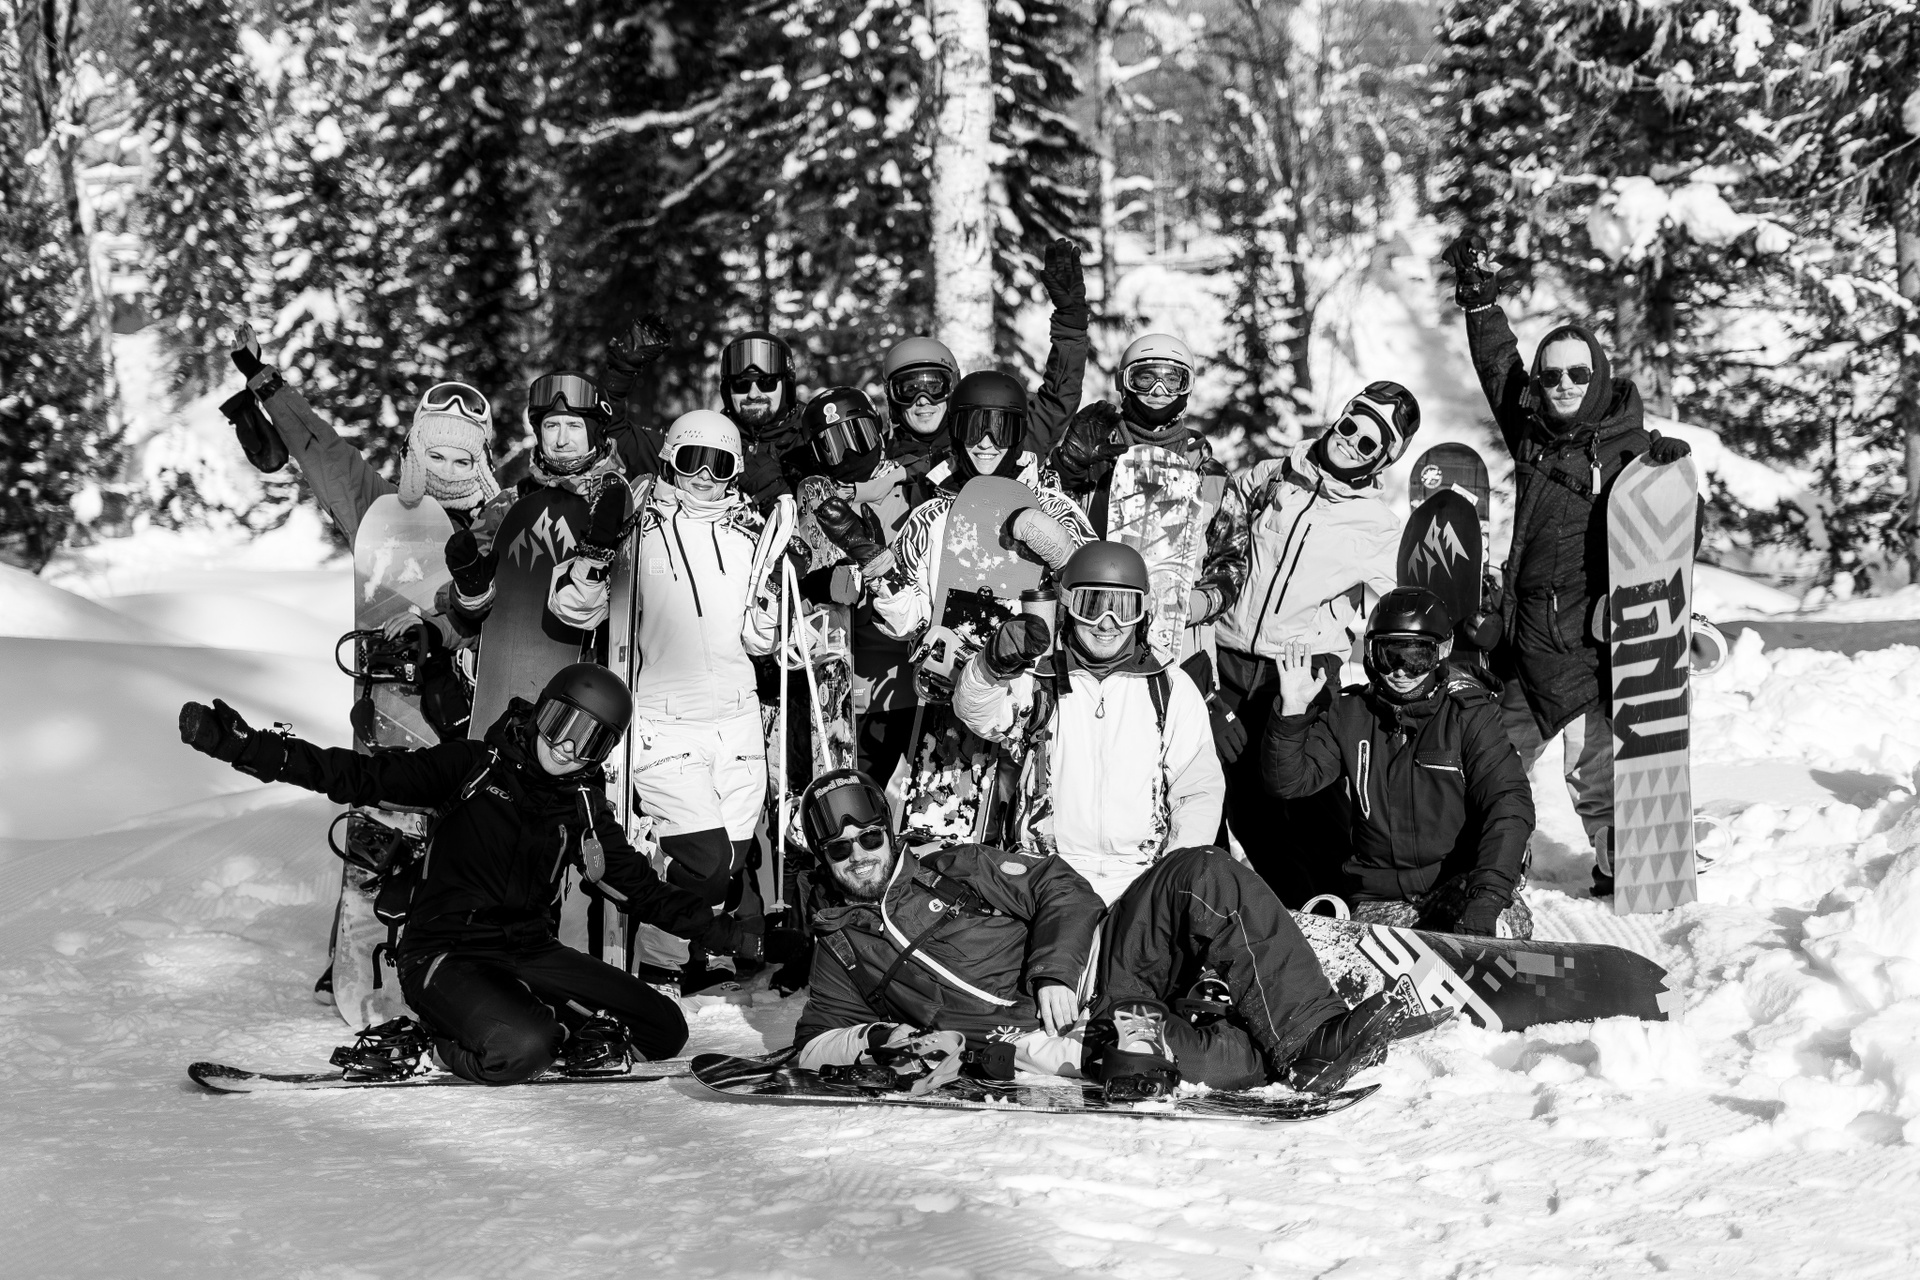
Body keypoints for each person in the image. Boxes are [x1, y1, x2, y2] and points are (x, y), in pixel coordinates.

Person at [175, 664, 772, 1084]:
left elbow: (640, 890)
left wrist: (729, 936)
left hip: (528, 952)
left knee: (663, 1029)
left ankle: (549, 1024)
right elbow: (357, 776)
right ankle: (430, 1048)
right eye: (562, 724)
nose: (567, 749)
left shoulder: (583, 806)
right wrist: (248, 749)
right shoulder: (473, 767)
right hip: (444, 951)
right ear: (541, 712)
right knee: (520, 1050)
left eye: (589, 741)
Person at [788, 771, 1417, 1095]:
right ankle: (1240, 1027)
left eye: (869, 837)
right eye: (840, 849)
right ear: (822, 857)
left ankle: (1312, 1036)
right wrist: (873, 1039)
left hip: (1109, 955)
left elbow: (1062, 888)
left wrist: (1054, 972)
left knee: (1201, 871)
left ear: (889, 831)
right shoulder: (840, 947)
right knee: (1207, 1067)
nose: (859, 856)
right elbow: (814, 1043)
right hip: (1070, 1033)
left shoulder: (952, 867)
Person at [1442, 233, 1694, 895]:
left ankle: (1622, 864)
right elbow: (1501, 371)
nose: (1562, 385)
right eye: (1551, 375)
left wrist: (1671, 483)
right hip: (1523, 639)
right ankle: (1490, 860)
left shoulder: (1632, 448)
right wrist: (1481, 306)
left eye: (1577, 374)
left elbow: (1669, 538)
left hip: (1586, 645)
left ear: (1599, 375)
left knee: (1594, 768)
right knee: (1494, 761)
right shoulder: (1532, 434)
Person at [548, 410, 783, 991]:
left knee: (728, 864)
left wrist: (775, 594)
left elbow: (760, 640)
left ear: (734, 469)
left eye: (718, 464)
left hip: (738, 717)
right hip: (666, 719)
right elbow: (573, 610)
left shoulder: (751, 533)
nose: (704, 475)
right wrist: (597, 550)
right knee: (704, 862)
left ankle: (691, 953)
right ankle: (659, 959)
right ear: (670, 459)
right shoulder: (637, 523)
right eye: (691, 460)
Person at [1211, 383, 1421, 906]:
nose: (1351, 441)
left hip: (1299, 674)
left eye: (1369, 443)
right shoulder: (1269, 477)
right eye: (1350, 425)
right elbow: (1211, 537)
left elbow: (1409, 604)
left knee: (1310, 806)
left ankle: (1341, 910)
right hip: (1227, 662)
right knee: (1242, 810)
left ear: (1382, 460)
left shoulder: (1379, 528)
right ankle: (1246, 911)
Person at [951, 542, 1224, 903]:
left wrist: (1172, 880)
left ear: (1143, 611)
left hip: (1141, 877)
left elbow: (1197, 792)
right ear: (1068, 604)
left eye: (1123, 608)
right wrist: (992, 665)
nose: (1107, 623)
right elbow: (977, 714)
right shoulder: (1038, 678)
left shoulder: (1169, 687)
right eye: (1091, 606)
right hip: (1047, 873)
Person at [1263, 587, 1536, 936]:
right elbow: (1289, 781)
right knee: (1378, 954)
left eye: (1416, 657)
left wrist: (1488, 895)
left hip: (1458, 885)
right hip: (1382, 896)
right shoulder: (1351, 714)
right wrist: (1292, 713)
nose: (1400, 671)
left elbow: (1508, 803)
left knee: (1506, 925)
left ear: (1443, 650)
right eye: (1388, 655)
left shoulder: (1469, 716)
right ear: (1371, 653)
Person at [1052, 332, 1248, 661]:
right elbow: (1049, 522)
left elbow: (1232, 560)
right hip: (1092, 629)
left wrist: (1194, 606)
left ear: (1187, 387)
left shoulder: (1211, 477)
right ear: (1124, 383)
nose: (1158, 391)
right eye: (1144, 378)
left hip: (1179, 643)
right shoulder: (1095, 460)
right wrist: (1066, 467)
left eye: (1172, 380)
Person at [868, 371, 1095, 645]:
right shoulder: (929, 518)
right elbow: (906, 623)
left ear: (1018, 434)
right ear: (955, 432)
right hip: (955, 667)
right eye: (973, 428)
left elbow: (1096, 605)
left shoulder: (1056, 509)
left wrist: (1064, 565)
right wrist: (881, 574)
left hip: (1036, 667)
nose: (986, 442)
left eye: (1000, 429)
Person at [439, 370, 624, 637]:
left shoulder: (625, 503)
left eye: (574, 426)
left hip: (601, 655)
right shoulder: (508, 505)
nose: (561, 440)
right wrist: (471, 587)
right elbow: (468, 620)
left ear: (595, 432)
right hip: (518, 649)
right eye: (551, 426)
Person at [717, 329, 809, 512]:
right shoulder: (712, 439)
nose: (753, 394)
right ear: (727, 391)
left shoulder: (812, 438)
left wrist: (775, 493)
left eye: (767, 382)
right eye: (741, 384)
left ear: (787, 386)